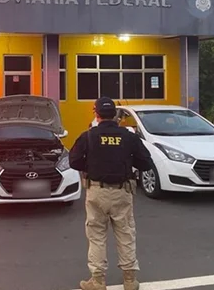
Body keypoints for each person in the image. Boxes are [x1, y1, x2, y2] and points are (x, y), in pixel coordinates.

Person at [69, 97, 153, 290]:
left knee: (97, 236)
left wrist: (90, 166)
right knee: (126, 233)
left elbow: (73, 160)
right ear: (115, 115)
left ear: (96, 114)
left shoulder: (88, 136)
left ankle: (97, 280)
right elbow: (146, 162)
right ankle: (130, 280)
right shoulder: (129, 136)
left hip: (96, 191)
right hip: (122, 191)